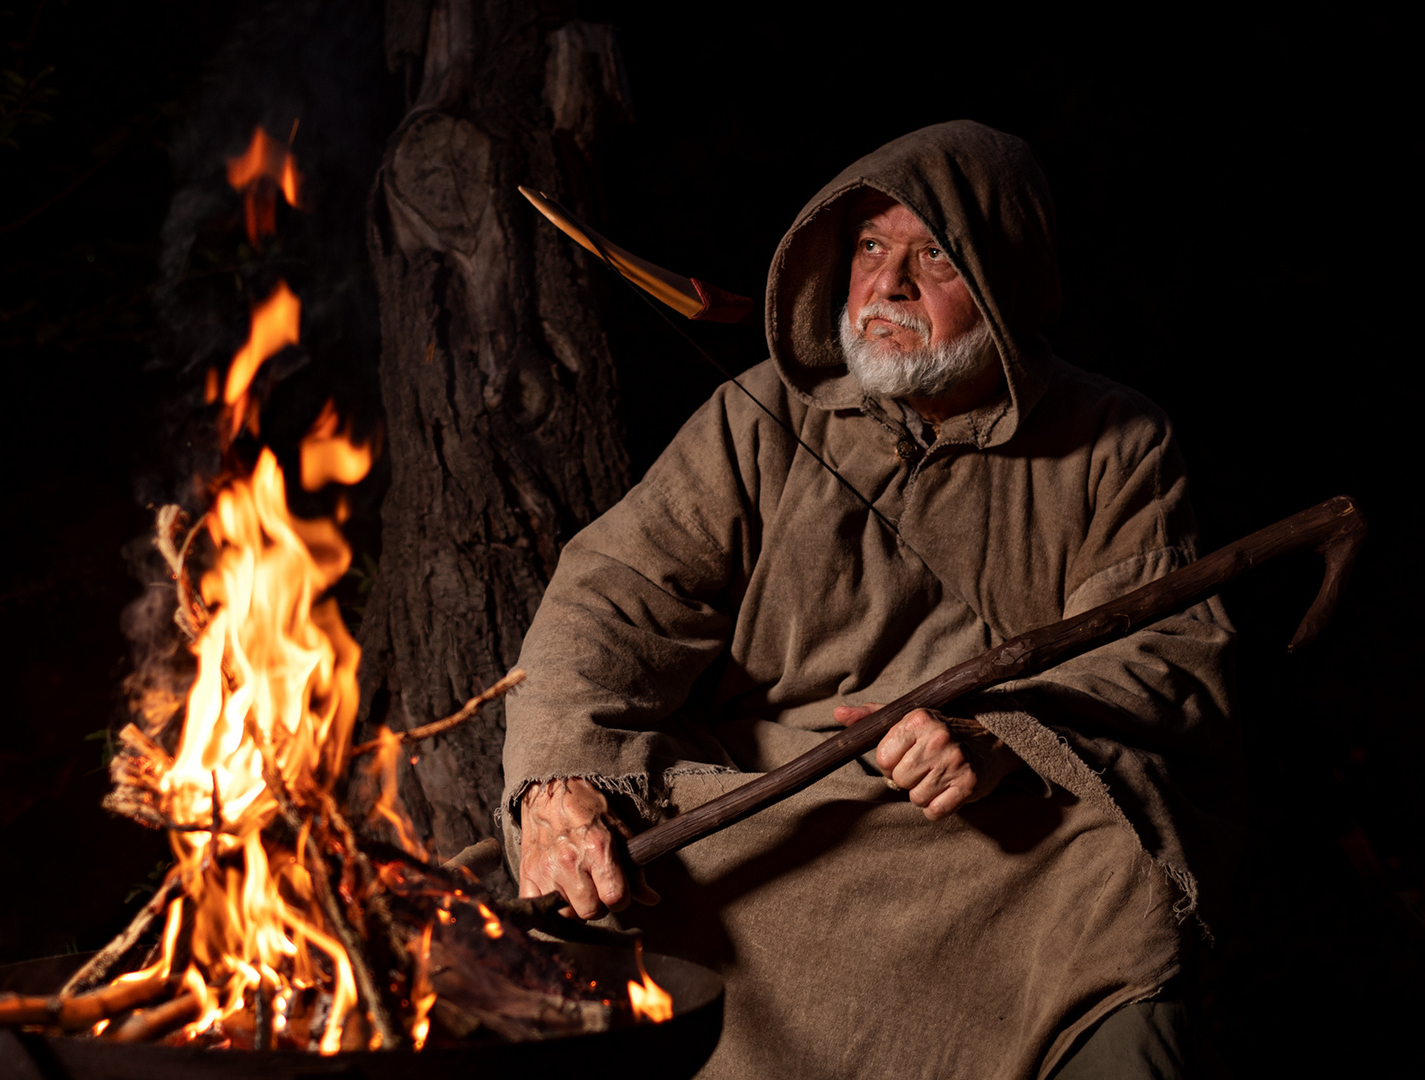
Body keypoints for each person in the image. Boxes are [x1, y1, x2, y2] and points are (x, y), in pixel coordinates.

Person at [500, 120, 1238, 1078]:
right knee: (573, 890)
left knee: (1117, 881)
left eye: (933, 255)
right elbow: (613, 599)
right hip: (774, 818)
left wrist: (1004, 734)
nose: (888, 285)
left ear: (1005, 279)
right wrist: (563, 782)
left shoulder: (1116, 441)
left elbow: (1168, 656)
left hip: (985, 835)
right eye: (870, 248)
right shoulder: (757, 415)